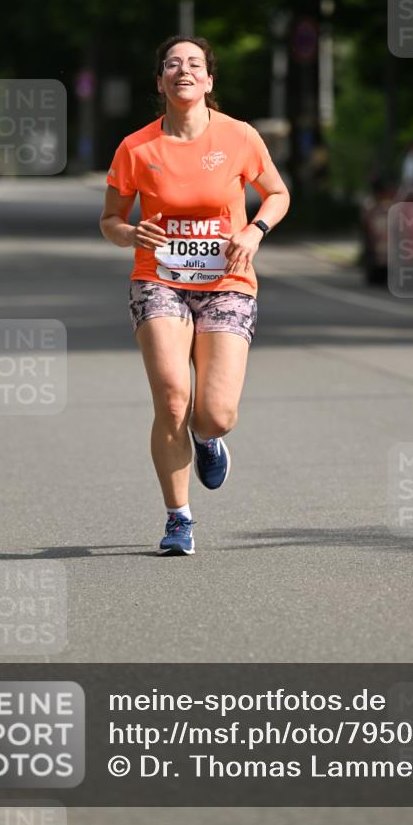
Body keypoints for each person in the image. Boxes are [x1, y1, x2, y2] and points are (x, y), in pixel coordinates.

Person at [100, 36, 290, 555]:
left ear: (208, 80)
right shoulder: (136, 148)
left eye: (194, 64)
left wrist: (254, 232)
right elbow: (111, 221)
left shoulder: (240, 137)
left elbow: (277, 193)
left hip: (227, 280)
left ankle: (207, 440)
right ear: (160, 81)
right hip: (158, 279)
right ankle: (178, 517)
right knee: (171, 396)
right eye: (172, 64)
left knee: (215, 413)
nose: (183, 70)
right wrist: (130, 233)